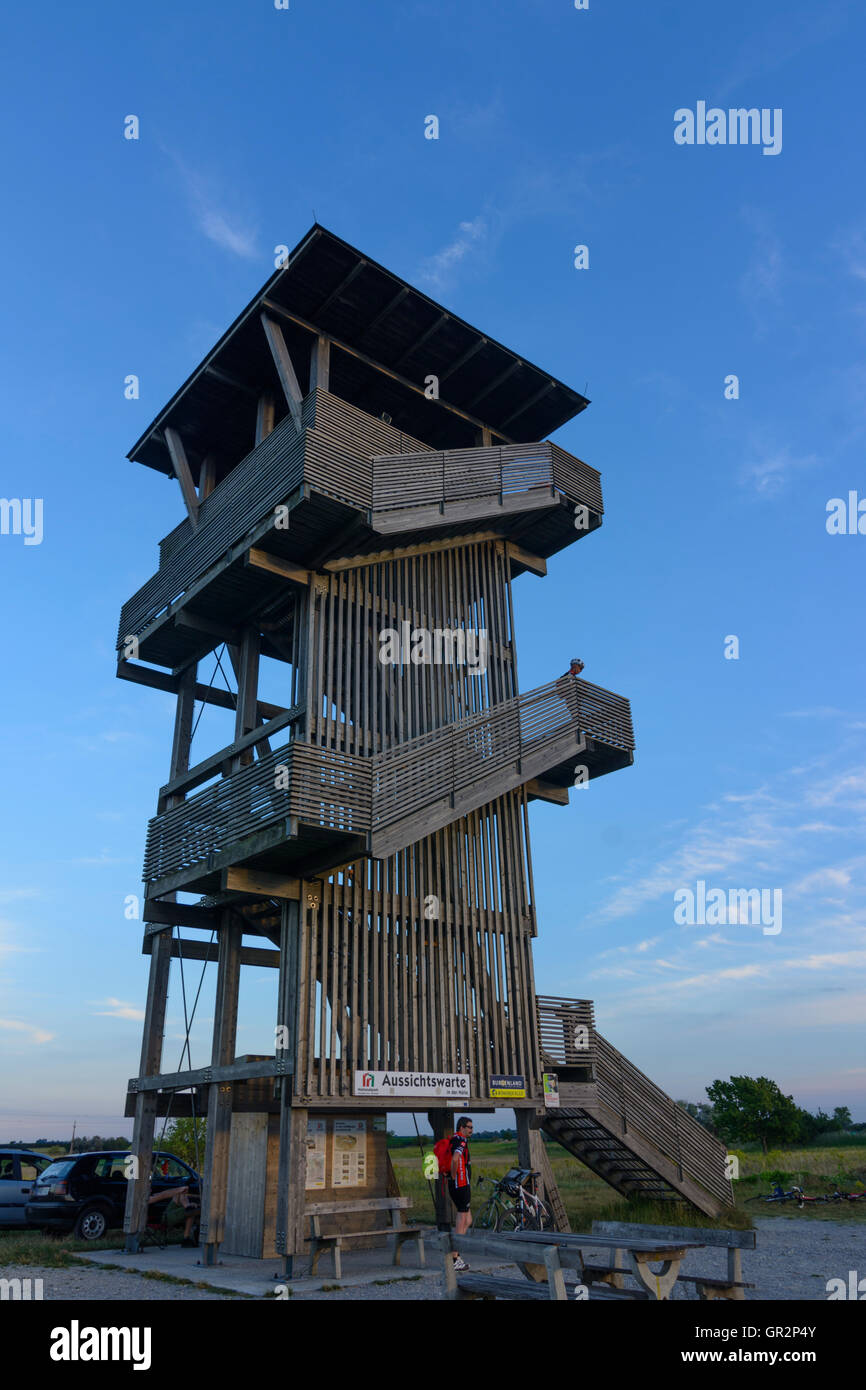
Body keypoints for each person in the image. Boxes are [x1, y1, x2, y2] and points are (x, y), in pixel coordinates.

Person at [448, 1116, 474, 1266]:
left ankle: (456, 1250)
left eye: (472, 1127)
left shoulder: (455, 1139)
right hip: (461, 1183)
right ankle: (454, 1258)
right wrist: (453, 1176)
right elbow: (455, 1159)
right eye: (469, 1127)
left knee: (468, 1220)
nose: (471, 1130)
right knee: (462, 1218)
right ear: (462, 1127)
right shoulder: (461, 1140)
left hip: (460, 1184)